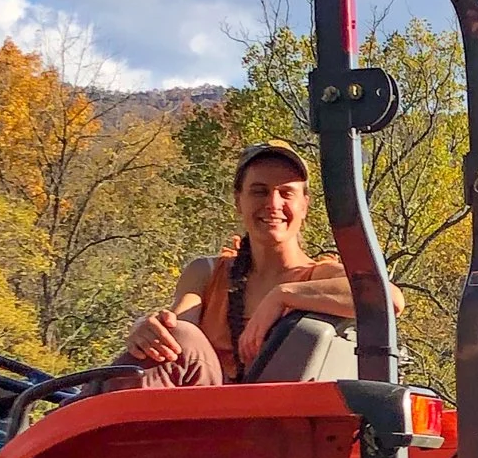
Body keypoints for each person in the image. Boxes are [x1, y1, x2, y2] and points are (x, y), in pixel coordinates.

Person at [119, 140, 399, 387]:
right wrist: (150, 331)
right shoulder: (207, 274)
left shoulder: (320, 275)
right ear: (238, 201)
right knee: (172, 339)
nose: (273, 203)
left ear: (305, 205)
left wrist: (281, 296)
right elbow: (178, 332)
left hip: (271, 426)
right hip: (200, 413)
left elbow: (389, 299)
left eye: (286, 192)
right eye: (259, 191)